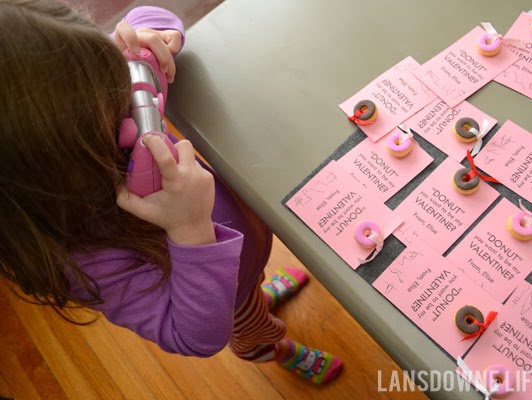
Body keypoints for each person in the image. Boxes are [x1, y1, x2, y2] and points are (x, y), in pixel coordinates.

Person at [0, 0, 342, 385]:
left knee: (253, 282)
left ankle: (258, 295)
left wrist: (148, 38)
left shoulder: (84, 98)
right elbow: (195, 336)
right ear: (56, 172)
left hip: (245, 252)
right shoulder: (84, 262)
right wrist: (190, 229)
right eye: (111, 106)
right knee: (248, 316)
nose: (128, 98)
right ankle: (263, 344)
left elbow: (148, 17)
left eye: (108, 68)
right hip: (223, 294)